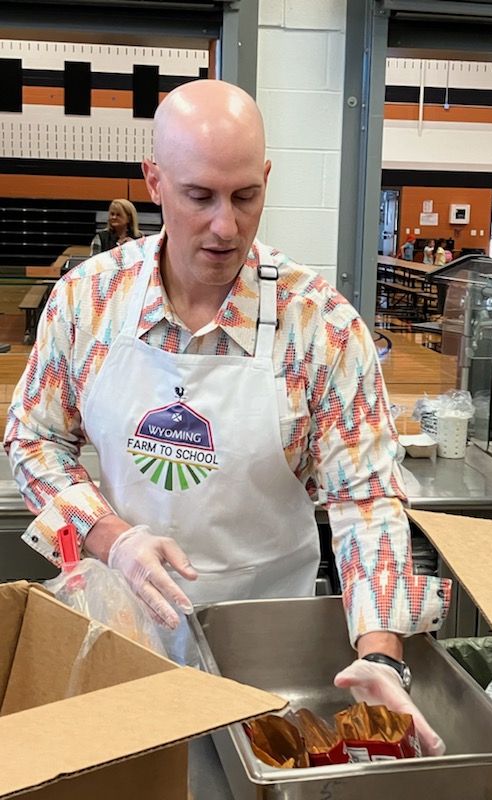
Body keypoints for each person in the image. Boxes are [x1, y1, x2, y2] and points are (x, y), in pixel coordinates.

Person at [3, 80, 449, 755]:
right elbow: (31, 437)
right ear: (154, 180)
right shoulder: (87, 303)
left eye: (246, 197)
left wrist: (382, 653)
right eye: (199, 196)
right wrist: (109, 535)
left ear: (266, 178)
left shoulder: (321, 328)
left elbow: (368, 500)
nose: (226, 226)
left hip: (271, 652)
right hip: (127, 635)